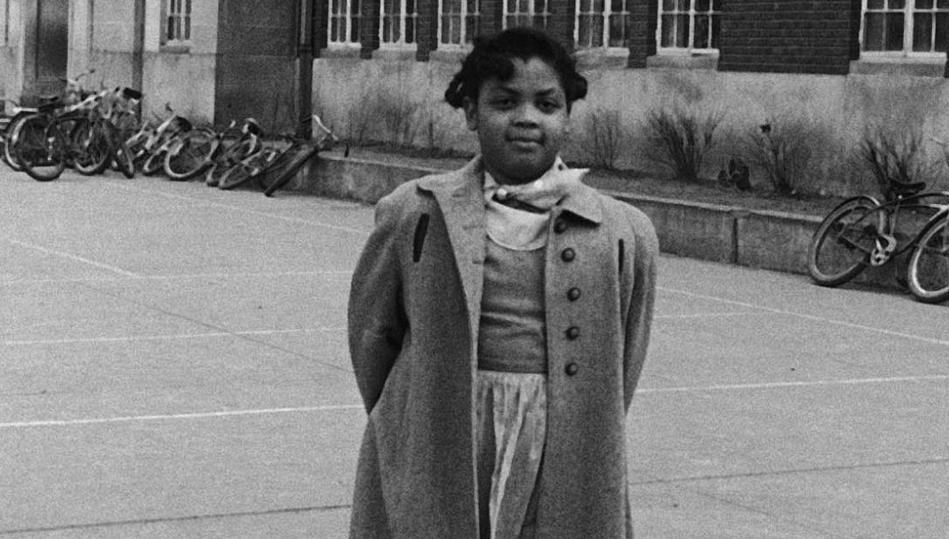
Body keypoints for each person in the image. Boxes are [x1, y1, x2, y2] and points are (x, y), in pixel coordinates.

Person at [347, 27, 658, 538]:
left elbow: (623, 359)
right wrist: (409, 415)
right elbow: (372, 336)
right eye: (504, 101)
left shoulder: (623, 233)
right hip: (444, 429)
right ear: (471, 112)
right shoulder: (414, 213)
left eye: (546, 103)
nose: (527, 119)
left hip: (556, 433)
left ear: (568, 113)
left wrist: (574, 416)